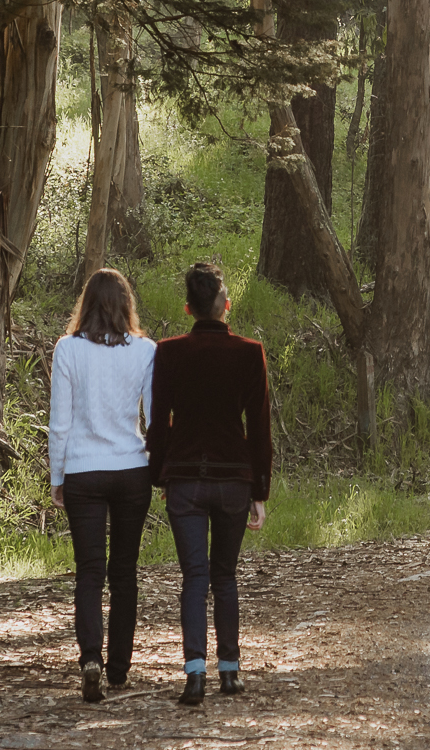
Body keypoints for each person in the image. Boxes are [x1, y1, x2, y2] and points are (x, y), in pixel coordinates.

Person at [145, 261, 272, 706]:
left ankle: (194, 673)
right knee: (225, 575)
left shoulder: (169, 352)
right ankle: (231, 671)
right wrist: (260, 491)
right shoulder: (249, 352)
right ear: (225, 306)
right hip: (234, 478)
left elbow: (158, 422)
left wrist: (158, 475)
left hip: (184, 479)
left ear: (188, 309)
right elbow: (258, 428)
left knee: (194, 577)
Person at [48, 267, 158, 704]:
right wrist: (158, 466)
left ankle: (90, 656)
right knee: (125, 571)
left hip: (83, 471)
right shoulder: (146, 351)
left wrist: (58, 476)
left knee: (90, 570)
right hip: (132, 469)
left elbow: (60, 423)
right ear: (126, 305)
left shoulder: (67, 350)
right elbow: (154, 417)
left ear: (86, 305)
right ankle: (118, 668)